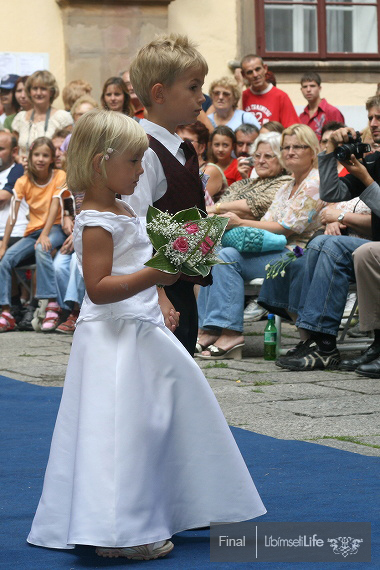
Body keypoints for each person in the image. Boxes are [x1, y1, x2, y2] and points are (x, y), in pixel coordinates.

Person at [26, 109, 266, 559]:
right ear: (101, 163)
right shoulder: (97, 219)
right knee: (121, 428)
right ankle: (125, 529)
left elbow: (133, 264)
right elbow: (98, 290)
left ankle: (171, 504)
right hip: (115, 336)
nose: (142, 170)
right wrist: (158, 274)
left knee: (163, 413)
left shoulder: (120, 207)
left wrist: (161, 292)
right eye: (135, 162)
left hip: (142, 328)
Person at [258, 95, 380, 371]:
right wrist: (328, 153)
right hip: (368, 244)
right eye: (370, 118)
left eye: (378, 118)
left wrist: (365, 180)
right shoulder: (375, 160)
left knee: (326, 246)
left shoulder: (371, 168)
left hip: (371, 246)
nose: (373, 124)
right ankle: (320, 342)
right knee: (322, 243)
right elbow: (332, 193)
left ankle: (321, 342)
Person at [197, 124, 324, 359]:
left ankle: (229, 332)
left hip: (299, 251)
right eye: (286, 147)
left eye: (298, 146)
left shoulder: (313, 182)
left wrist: (240, 223)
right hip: (278, 248)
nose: (290, 151)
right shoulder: (288, 185)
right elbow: (268, 222)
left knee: (226, 259)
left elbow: (284, 229)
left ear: (313, 151)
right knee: (218, 255)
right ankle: (209, 328)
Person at [126, 34, 212, 355]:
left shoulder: (183, 147)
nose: (201, 97)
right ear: (159, 93)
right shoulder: (144, 152)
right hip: (157, 291)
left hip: (181, 285)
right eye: (193, 87)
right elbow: (137, 227)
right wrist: (158, 293)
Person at [0, 136, 70, 332]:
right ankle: (6, 312)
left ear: (51, 159)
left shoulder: (59, 176)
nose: (40, 159)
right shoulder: (23, 181)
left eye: (45, 155)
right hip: (32, 231)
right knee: (5, 259)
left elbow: (56, 206)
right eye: (37, 155)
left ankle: (51, 303)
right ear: (30, 157)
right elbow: (12, 216)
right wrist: (4, 245)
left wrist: (45, 234)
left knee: (42, 247)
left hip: (54, 228)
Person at [12, 70, 74, 163]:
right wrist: (17, 158)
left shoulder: (62, 117)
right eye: (35, 88)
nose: (38, 93)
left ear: (52, 92)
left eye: (43, 89)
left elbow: (68, 150)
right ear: (29, 91)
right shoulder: (20, 118)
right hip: (23, 169)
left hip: (52, 172)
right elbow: (13, 149)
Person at [241, 55, 298, 128]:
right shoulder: (242, 97)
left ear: (265, 68)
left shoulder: (281, 96)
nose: (255, 75)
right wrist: (239, 85)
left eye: (258, 69)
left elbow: (292, 128)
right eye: (249, 72)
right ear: (244, 75)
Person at [175, 120, 213, 204]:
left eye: (187, 141)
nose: (179, 144)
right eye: (177, 138)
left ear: (202, 147)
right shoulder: (174, 167)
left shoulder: (209, 170)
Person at [299, 72, 345, 140]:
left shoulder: (332, 111)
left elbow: (341, 138)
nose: (308, 90)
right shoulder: (301, 117)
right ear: (301, 90)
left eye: (312, 86)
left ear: (319, 88)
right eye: (305, 86)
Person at [0, 132, 26, 245]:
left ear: (14, 151)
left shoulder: (19, 169)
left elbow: (2, 197)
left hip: (15, 234)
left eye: (0, 149)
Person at [204, 126, 236, 198]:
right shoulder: (208, 167)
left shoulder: (238, 167)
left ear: (233, 146)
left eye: (225, 145)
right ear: (210, 145)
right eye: (217, 145)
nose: (220, 149)